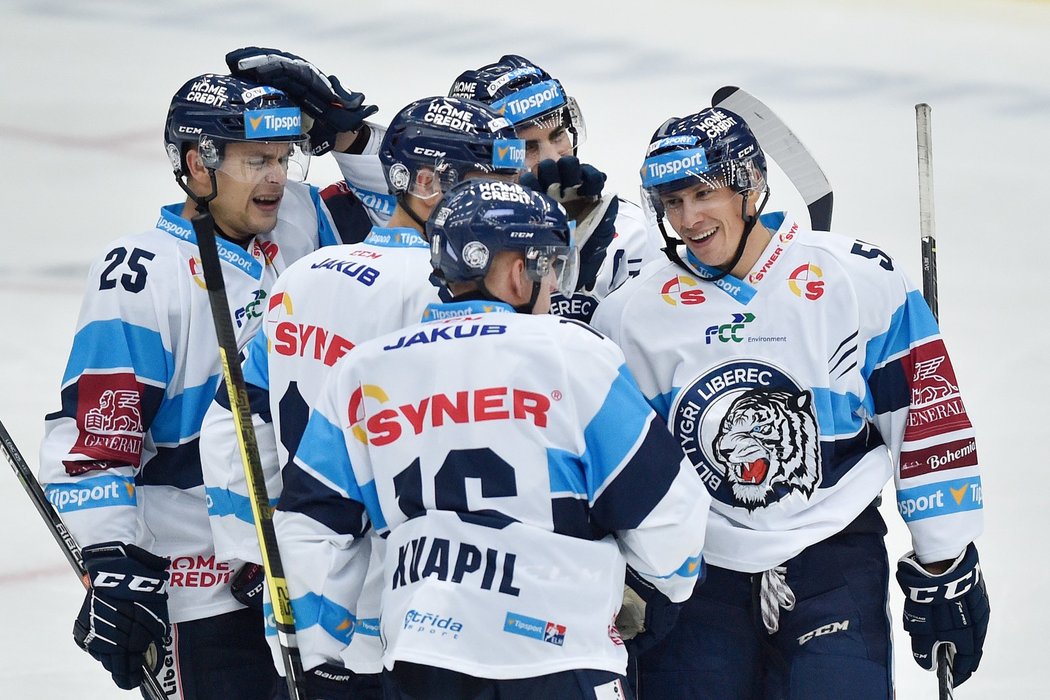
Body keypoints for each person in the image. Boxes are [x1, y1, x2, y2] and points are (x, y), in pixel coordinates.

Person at [590, 106, 990, 699]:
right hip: (695, 574)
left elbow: (926, 421)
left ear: (751, 185)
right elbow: (619, 462)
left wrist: (945, 556)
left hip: (833, 555)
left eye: (704, 193)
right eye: (672, 202)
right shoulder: (629, 316)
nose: (689, 218)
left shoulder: (858, 279)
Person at [272, 178, 711, 699]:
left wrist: (322, 658)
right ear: (515, 273)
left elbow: (309, 527)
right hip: (561, 656)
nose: (554, 287)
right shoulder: (572, 354)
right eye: (548, 267)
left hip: (422, 657)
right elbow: (665, 512)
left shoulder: (363, 370)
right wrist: (670, 586)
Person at [37, 68, 376, 699]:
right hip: (208, 594)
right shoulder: (143, 275)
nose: (276, 176)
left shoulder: (299, 220)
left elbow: (417, 220)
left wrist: (353, 137)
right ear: (199, 164)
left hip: (320, 574)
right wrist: (113, 561)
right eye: (256, 160)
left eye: (283, 157)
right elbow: (98, 436)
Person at [198, 94, 528, 699]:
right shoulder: (451, 298)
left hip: (311, 603)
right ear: (426, 182)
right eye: (488, 184)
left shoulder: (307, 274)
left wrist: (251, 552)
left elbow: (234, 418)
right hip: (429, 618)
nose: (506, 204)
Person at [228, 50, 665, 323]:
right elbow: (403, 180)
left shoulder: (626, 232)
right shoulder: (421, 220)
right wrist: (349, 135)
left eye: (557, 135)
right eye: (526, 148)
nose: (552, 159)